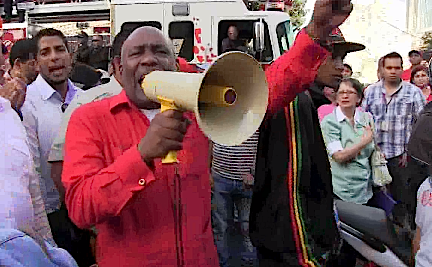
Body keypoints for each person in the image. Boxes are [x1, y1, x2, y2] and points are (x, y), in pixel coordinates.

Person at [250, 1, 365, 266]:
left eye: (342, 59)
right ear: (311, 54)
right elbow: (290, 193)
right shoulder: (294, 103)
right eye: (332, 57)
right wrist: (310, 258)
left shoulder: (309, 100)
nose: (341, 68)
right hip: (293, 252)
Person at [20, 28, 95, 266]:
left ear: (70, 55)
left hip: (88, 209)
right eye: (45, 52)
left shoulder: (87, 99)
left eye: (60, 49)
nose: (54, 57)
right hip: (53, 216)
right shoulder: (26, 104)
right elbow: (33, 170)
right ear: (36, 62)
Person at [362, 52, 426, 229]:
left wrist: (409, 151)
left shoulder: (413, 92)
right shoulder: (371, 92)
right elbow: (362, 121)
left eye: (397, 67)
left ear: (402, 69)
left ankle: (405, 234)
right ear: (382, 69)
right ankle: (384, 232)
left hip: (401, 157)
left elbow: (420, 125)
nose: (393, 71)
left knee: (403, 199)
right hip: (375, 157)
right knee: (378, 198)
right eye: (389, 67)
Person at [321, 78, 374, 205]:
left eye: (350, 92)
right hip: (342, 189)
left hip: (365, 186)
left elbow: (372, 150)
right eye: (341, 92)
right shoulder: (330, 122)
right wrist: (364, 142)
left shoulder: (366, 118)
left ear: (359, 98)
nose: (345, 96)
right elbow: (338, 156)